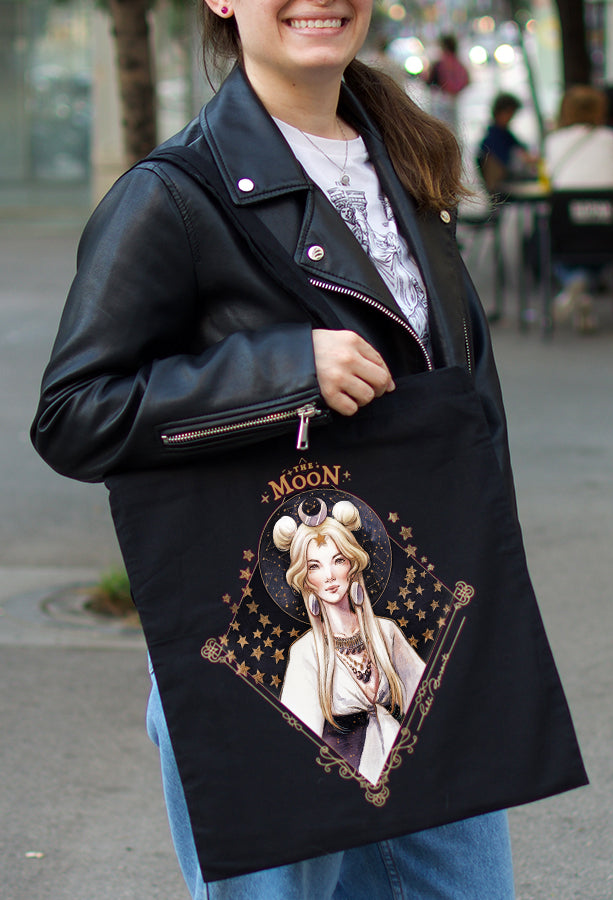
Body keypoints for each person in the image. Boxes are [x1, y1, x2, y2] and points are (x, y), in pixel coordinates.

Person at [31, 0, 524, 895]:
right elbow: (75, 412)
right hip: (266, 659)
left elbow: (463, 406)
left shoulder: (408, 161)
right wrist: (280, 371)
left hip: (422, 634)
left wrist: (488, 585)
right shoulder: (175, 194)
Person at [274, 499, 425, 785]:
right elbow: (298, 745)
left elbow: (428, 698)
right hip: (345, 789)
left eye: (338, 560)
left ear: (352, 565)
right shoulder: (305, 652)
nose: (329, 575)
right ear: (306, 579)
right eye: (315, 566)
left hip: (408, 773)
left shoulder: (386, 632)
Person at [542, 85, 613, 331]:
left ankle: (574, 281)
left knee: (548, 235)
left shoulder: (554, 141)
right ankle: (583, 294)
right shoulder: (612, 138)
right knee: (594, 242)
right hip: (609, 229)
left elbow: (550, 180)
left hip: (567, 229)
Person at [477, 92, 536, 192]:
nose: (511, 118)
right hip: (503, 189)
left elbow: (523, 150)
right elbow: (510, 163)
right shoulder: (493, 138)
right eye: (510, 113)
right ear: (500, 112)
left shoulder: (504, 134)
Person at [423, 34, 469, 131]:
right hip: (454, 100)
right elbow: (467, 80)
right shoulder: (458, 63)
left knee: (440, 129)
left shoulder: (440, 63)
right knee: (453, 128)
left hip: (440, 101)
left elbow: (429, 81)